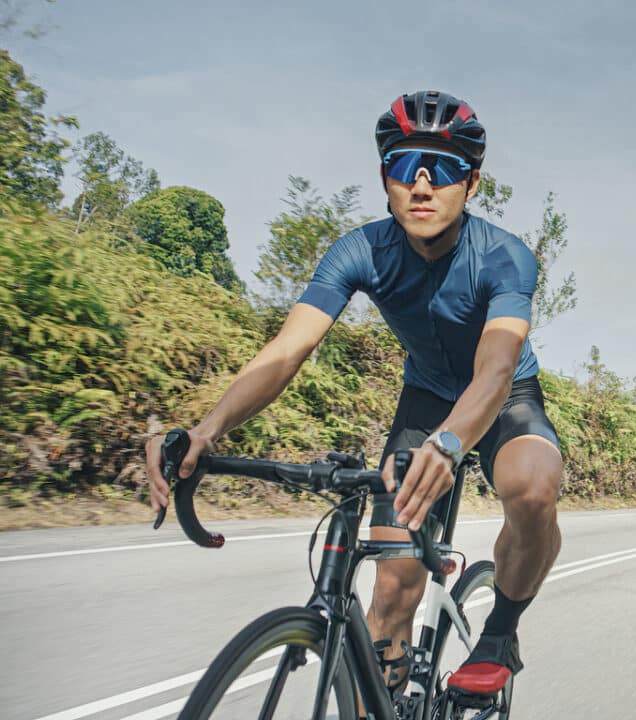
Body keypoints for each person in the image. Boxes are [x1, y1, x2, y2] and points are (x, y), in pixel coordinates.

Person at [146, 90, 562, 695]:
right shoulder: (359, 250)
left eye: (442, 170)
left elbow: (495, 371)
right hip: (424, 399)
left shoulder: (505, 257)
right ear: (383, 178)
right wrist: (207, 431)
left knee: (532, 487)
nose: (422, 185)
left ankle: (500, 628)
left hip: (503, 396)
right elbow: (287, 351)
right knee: (392, 587)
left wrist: (450, 446)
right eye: (404, 165)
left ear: (470, 186)